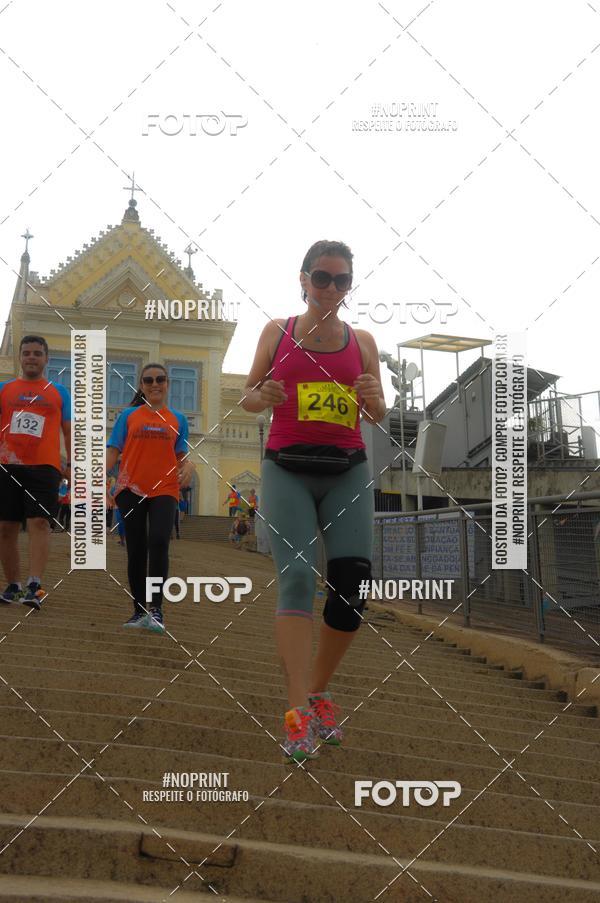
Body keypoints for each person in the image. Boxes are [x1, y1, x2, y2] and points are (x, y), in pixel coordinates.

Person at [242, 240, 386, 762]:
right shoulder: (277, 331)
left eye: (341, 280)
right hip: (287, 469)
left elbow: (376, 415)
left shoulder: (362, 341)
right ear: (302, 279)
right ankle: (297, 711)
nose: (331, 288)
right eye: (321, 278)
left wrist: (373, 398)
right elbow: (248, 395)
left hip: (346, 470)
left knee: (351, 586)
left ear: (349, 287)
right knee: (299, 577)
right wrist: (266, 396)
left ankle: (321, 689)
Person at [106, 363, 195, 632]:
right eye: (148, 380)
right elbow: (113, 451)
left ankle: (156, 609)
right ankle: (138, 610)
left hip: (165, 489)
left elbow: (181, 456)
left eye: (160, 379)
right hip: (130, 489)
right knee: (136, 549)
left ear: (167, 383)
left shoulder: (178, 419)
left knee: (158, 541)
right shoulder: (129, 416)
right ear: (142, 386)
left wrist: (190, 466)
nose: (155, 384)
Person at [0, 335, 71, 609]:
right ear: (20, 357)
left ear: (46, 359)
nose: (31, 357)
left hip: (45, 466)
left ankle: (34, 584)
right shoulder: (4, 389)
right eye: (27, 353)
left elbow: (68, 430)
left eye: (37, 353)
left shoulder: (59, 392)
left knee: (39, 522)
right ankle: (13, 586)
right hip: (8, 464)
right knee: (6, 526)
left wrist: (72, 463)